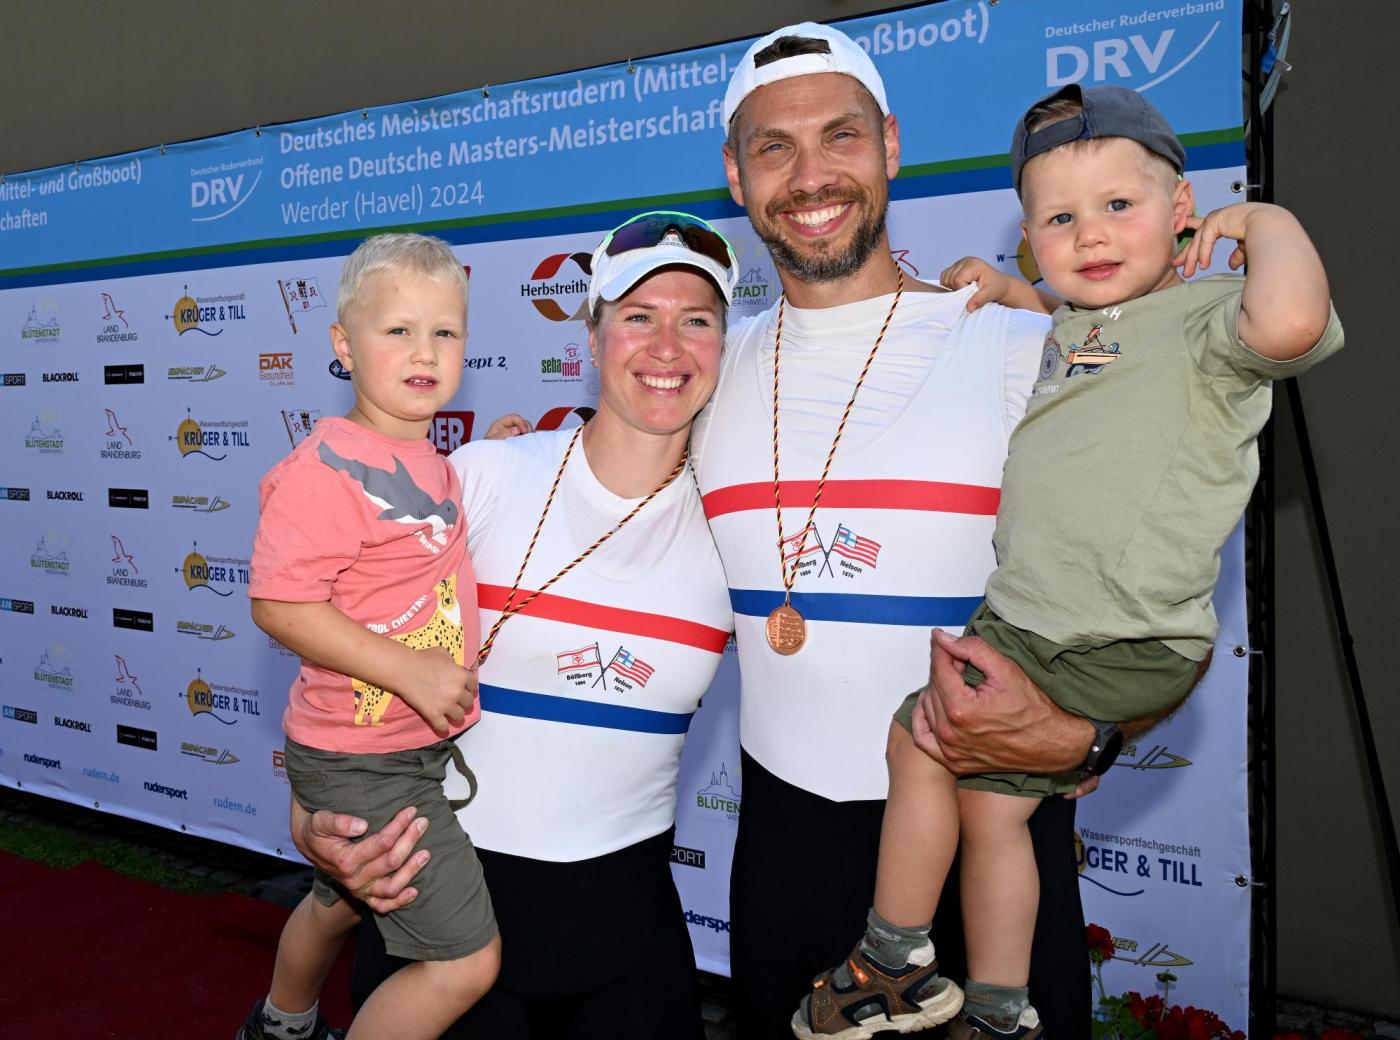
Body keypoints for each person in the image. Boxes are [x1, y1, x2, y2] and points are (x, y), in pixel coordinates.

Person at [795, 83, 1345, 1040]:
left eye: (1118, 206)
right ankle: (991, 1006)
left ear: (1184, 212)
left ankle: (895, 960)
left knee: (928, 748)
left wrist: (1264, 219)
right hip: (1032, 621)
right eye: (1060, 219)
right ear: (1031, 237)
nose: (1090, 234)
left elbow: (1294, 323)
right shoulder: (1082, 323)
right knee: (979, 797)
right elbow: (1067, 331)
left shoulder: (1207, 319)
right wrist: (1010, 292)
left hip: (1111, 633)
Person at [299, 212, 740, 1039]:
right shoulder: (484, 477)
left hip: (629, 926)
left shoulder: (740, 528)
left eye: (696, 321)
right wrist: (311, 819)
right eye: (638, 316)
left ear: (726, 345)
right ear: (592, 337)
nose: (666, 347)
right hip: (447, 909)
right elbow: (343, 653)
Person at [241, 233, 500, 1040]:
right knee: (467, 963)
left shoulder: (426, 455)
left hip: (386, 747)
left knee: (339, 901)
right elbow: (278, 605)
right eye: (398, 330)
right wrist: (411, 671)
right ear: (344, 345)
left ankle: (281, 1025)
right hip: (366, 760)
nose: (425, 351)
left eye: (444, 332)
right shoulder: (326, 467)